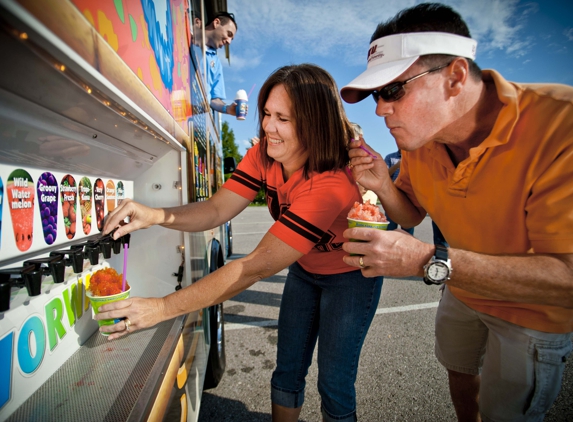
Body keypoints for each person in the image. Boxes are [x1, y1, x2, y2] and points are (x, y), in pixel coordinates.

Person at [99, 64, 383, 422]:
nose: (267, 127)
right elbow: (218, 208)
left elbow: (253, 267)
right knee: (286, 372)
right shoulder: (265, 153)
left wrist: (160, 308)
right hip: (305, 269)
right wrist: (154, 214)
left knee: (334, 382)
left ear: (315, 124)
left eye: (283, 118)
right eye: (266, 113)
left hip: (350, 277)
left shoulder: (331, 184)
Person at [340, 3, 573, 421]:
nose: (379, 109)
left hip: (530, 313)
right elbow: (411, 215)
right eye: (377, 94)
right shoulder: (423, 140)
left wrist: (430, 261)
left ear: (456, 76)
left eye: (393, 90)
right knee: (460, 374)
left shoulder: (560, 123)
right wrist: (382, 184)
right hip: (463, 292)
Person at [191, 11, 243, 117]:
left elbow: (214, 99)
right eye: (229, 34)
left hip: (192, 118)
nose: (229, 42)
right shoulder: (188, 33)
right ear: (216, 23)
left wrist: (227, 109)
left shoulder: (217, 63)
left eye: (231, 39)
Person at [383, 149, 414, 235]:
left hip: (409, 198)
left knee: (408, 231)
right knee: (390, 230)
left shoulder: (414, 158)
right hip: (393, 198)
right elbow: (384, 175)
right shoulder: (390, 157)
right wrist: (397, 165)